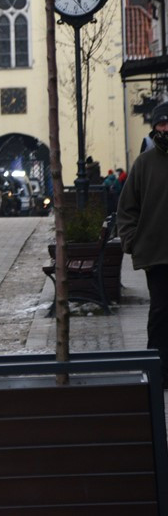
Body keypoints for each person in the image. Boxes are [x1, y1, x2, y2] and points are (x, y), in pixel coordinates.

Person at [118, 99, 168, 388]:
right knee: (161, 312)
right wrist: (132, 240)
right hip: (157, 253)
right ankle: (158, 372)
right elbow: (128, 207)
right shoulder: (144, 164)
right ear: (154, 127)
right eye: (161, 123)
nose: (165, 127)